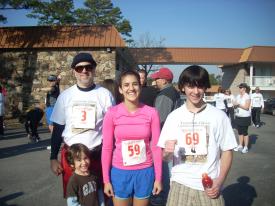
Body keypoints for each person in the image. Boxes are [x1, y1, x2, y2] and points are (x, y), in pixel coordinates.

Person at [157, 65, 237, 206]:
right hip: (179, 183)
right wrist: (167, 152)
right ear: (182, 87)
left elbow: (227, 151)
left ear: (205, 87)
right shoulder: (173, 117)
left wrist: (219, 181)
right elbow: (165, 158)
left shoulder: (219, 116)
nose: (195, 91)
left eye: (200, 86)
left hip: (209, 184)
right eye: (190, 86)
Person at [49, 52, 115, 204]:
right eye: (80, 68)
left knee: (100, 198)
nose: (84, 71)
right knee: (74, 199)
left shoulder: (105, 95)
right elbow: (58, 129)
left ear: (94, 69)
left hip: (97, 156)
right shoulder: (65, 96)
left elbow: (113, 128)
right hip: (72, 158)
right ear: (74, 71)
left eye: (88, 67)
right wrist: (53, 158)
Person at [102, 70, 162, 206]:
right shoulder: (112, 113)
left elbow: (156, 146)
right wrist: (106, 180)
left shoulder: (151, 113)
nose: (131, 88)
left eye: (135, 84)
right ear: (120, 89)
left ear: (140, 87)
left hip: (145, 172)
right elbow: (107, 148)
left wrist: (158, 177)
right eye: (126, 85)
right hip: (120, 173)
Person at [149, 67, 180, 206]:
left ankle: (160, 200)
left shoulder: (164, 95)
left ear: (164, 80)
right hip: (172, 139)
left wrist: (155, 143)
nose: (155, 81)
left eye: (157, 78)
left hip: (164, 141)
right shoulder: (174, 92)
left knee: (162, 173)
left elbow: (159, 121)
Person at [233, 83, 251, 154]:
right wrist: (234, 105)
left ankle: (246, 147)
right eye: (239, 87)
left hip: (245, 117)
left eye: (240, 87)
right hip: (238, 116)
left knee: (245, 132)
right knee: (240, 132)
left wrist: (238, 105)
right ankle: (240, 145)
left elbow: (247, 107)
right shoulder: (238, 96)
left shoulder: (247, 96)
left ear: (244, 89)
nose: (239, 89)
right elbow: (235, 104)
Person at [45, 74, 60, 150]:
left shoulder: (53, 88)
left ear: (55, 81)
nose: (50, 82)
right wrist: (58, 79)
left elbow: (50, 89)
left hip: (52, 108)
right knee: (52, 127)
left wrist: (40, 89)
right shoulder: (56, 85)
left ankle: (54, 145)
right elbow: (58, 80)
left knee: (52, 127)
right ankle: (55, 144)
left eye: (52, 80)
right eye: (49, 80)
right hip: (50, 108)